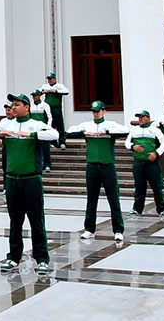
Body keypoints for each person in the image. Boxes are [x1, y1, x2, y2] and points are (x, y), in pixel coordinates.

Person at [0, 93, 57, 275]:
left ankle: (42, 258)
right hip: (12, 180)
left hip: (31, 180)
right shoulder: (6, 124)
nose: (13, 108)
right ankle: (14, 257)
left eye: (16, 105)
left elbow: (54, 134)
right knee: (15, 221)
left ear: (26, 107)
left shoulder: (35, 124)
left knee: (36, 220)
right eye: (12, 105)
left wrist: (31, 135)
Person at [67, 101, 127, 244]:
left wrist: (105, 132)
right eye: (94, 111)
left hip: (108, 167)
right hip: (92, 167)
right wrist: (83, 133)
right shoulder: (87, 125)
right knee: (91, 199)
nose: (96, 113)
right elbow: (69, 131)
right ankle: (89, 229)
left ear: (104, 111)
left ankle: (118, 230)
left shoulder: (110, 125)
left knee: (113, 199)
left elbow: (125, 130)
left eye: (98, 111)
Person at [125, 110, 164, 218]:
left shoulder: (155, 130)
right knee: (139, 186)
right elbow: (127, 142)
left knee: (156, 186)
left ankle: (161, 208)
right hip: (138, 162)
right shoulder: (134, 130)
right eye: (139, 117)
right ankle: (137, 208)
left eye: (142, 117)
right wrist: (133, 147)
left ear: (148, 118)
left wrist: (156, 153)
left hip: (151, 163)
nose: (140, 119)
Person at [39, 72, 70, 147]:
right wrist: (43, 92)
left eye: (51, 79)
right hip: (48, 109)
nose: (50, 80)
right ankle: (52, 142)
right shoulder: (45, 86)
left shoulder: (59, 86)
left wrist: (55, 91)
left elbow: (66, 91)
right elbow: (39, 91)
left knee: (59, 125)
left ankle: (62, 141)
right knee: (50, 125)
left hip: (56, 108)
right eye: (49, 79)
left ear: (54, 79)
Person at [29, 89, 52, 172]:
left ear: (39, 96)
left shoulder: (45, 105)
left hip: (43, 129)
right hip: (34, 130)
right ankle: (37, 164)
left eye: (36, 95)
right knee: (35, 148)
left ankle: (47, 164)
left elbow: (49, 117)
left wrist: (47, 127)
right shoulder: (30, 105)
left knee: (45, 147)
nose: (34, 97)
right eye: (33, 96)